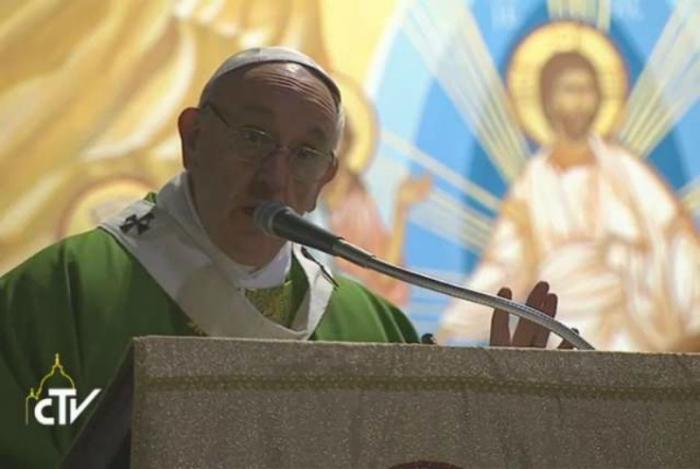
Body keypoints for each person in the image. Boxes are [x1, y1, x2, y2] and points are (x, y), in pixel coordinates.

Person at [0, 47, 562, 468]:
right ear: (193, 138)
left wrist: (492, 412)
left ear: (326, 179)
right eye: (252, 138)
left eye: (306, 153)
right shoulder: (58, 294)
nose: (275, 177)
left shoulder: (371, 327)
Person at [438, 51, 700, 351]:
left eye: (588, 90)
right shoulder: (531, 185)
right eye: (570, 90)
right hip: (555, 329)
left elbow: (675, 235)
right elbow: (503, 266)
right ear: (548, 100)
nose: (580, 101)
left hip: (622, 332)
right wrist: (450, 328)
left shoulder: (624, 170)